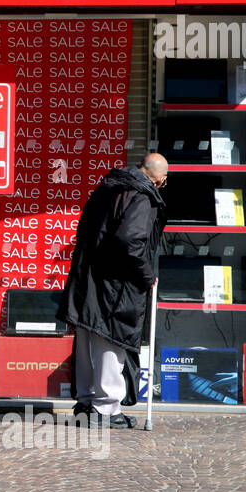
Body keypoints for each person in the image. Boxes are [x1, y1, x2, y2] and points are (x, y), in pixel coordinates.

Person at [57, 154, 169, 428]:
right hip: (114, 284)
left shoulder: (108, 187)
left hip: (89, 277)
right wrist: (146, 274)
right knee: (111, 340)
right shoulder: (142, 197)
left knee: (87, 337)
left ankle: (85, 402)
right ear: (160, 179)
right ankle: (106, 408)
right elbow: (130, 241)